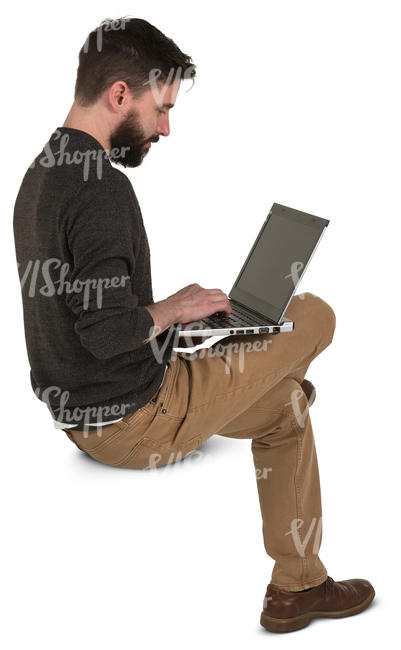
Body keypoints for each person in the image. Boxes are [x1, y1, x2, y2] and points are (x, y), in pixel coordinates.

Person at [13, 17, 375, 633]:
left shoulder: (42, 173)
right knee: (314, 313)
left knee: (287, 408)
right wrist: (176, 310)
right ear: (121, 94)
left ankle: (298, 587)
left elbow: (85, 314)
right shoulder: (101, 189)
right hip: (136, 418)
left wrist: (176, 317)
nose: (165, 129)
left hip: (82, 411)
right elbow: (105, 333)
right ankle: (270, 376)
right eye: (161, 108)